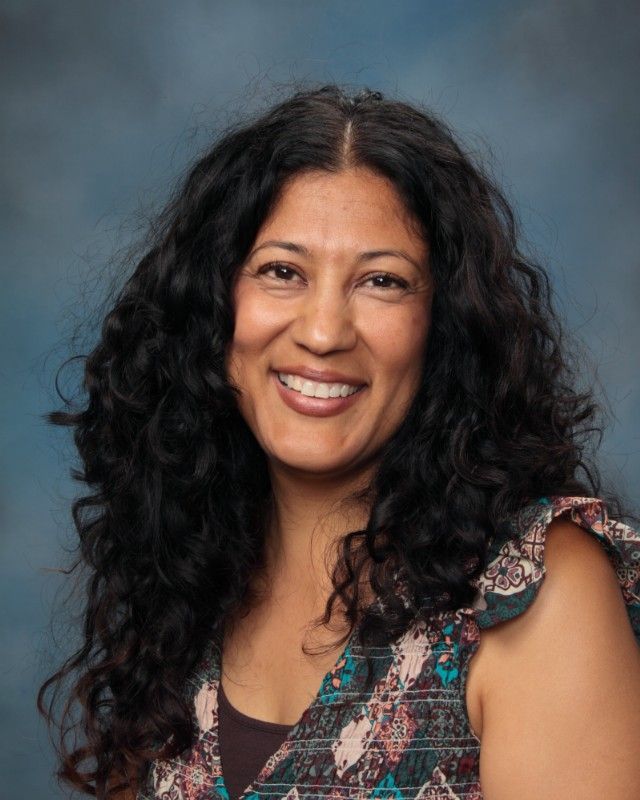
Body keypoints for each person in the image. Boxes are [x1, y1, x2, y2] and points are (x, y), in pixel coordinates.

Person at [38, 84, 640, 800]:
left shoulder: (534, 588)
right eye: (282, 272)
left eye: (382, 281)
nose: (324, 332)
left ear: (443, 326)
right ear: (212, 306)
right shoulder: (185, 579)